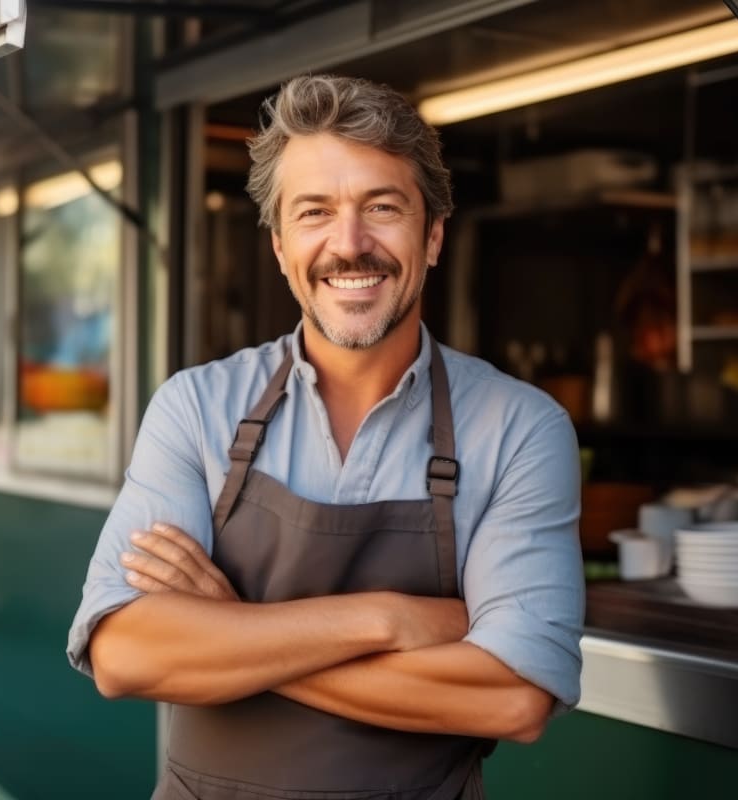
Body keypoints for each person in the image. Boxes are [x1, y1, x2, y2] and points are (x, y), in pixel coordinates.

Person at [67, 74, 584, 800]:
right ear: (280, 247)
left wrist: (233, 633)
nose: (349, 244)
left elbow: (512, 698)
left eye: (383, 207)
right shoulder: (196, 408)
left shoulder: (520, 428)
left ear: (433, 235)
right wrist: (387, 619)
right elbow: (124, 653)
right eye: (315, 212)